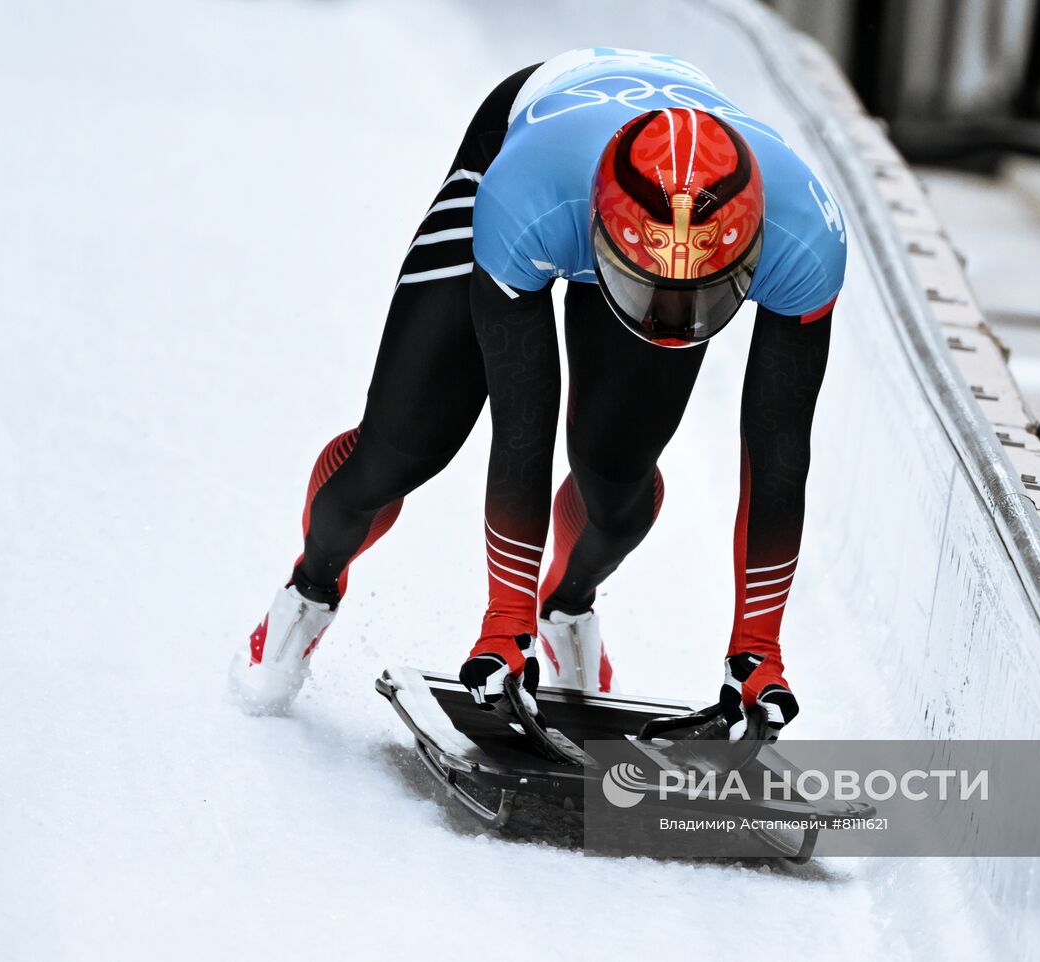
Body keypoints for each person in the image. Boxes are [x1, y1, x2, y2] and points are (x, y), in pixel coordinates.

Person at [229, 48, 846, 740]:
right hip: (526, 153)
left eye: (698, 298)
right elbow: (522, 431)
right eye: (652, 293)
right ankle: (311, 588)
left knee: (617, 490)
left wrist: (757, 650)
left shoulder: (806, 238)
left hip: (651, 221)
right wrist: (503, 621)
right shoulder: (525, 198)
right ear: (601, 236)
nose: (669, 319)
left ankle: (566, 604)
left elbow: (780, 449)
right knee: (405, 446)